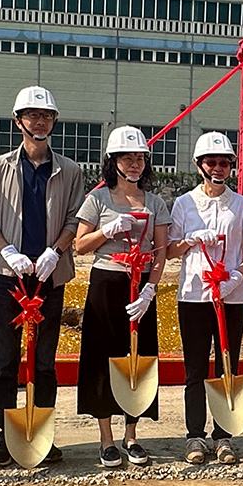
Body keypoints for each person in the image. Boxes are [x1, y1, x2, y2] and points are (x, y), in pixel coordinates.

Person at [0, 86, 85, 467]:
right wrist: (6, 250)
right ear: (18, 121)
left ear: (54, 122)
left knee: (44, 361)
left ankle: (42, 432)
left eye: (46, 116)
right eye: (32, 116)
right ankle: (5, 435)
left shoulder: (70, 171)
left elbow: (75, 218)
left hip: (49, 276)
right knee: (5, 360)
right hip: (9, 276)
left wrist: (57, 250)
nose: (40, 122)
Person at [74, 126, 170, 468]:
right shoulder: (97, 199)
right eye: (127, 158)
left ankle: (132, 435)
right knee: (104, 356)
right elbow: (80, 245)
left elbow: (160, 251)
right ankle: (106, 439)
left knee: (136, 357)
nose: (134, 164)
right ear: (112, 161)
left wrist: (150, 289)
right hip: (107, 283)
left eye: (140, 158)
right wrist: (106, 230)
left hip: (140, 285)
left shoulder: (155, 203)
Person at [166, 132, 243, 465]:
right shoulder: (184, 204)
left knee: (227, 365)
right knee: (195, 368)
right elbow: (170, 249)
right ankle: (194, 434)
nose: (218, 168)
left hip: (231, 297)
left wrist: (237, 277)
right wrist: (191, 239)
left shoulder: (241, 205)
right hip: (194, 295)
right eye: (211, 162)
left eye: (224, 163)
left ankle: (224, 435)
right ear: (199, 165)